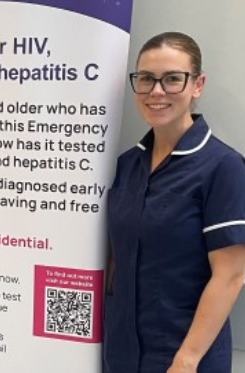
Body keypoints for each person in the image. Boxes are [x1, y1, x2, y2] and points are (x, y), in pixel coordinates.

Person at [104, 31, 245, 373]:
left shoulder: (223, 166)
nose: (156, 91)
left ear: (197, 85)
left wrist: (187, 360)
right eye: (146, 79)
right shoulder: (126, 165)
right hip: (121, 352)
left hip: (184, 357)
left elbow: (232, 275)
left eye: (172, 79)